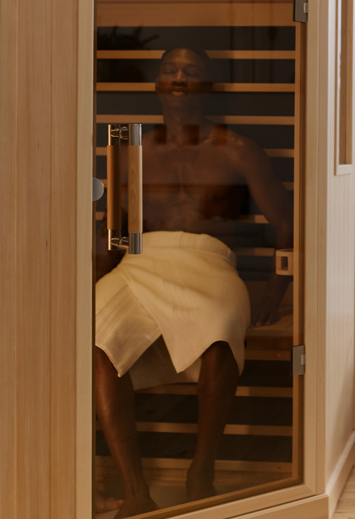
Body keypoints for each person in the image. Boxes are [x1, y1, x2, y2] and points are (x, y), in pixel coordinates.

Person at [94, 46, 293, 517]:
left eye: (191, 71)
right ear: (157, 84)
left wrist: (276, 290)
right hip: (141, 262)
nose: (179, 78)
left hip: (210, 263)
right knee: (97, 338)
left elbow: (286, 225)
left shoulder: (240, 149)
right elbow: (117, 232)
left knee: (222, 331)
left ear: (207, 85)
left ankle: (201, 471)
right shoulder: (128, 144)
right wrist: (90, 282)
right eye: (169, 70)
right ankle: (135, 489)